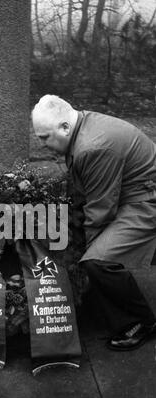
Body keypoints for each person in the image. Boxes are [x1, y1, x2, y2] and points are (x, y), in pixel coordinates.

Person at [32, 94, 156, 352]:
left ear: (65, 127)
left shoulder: (94, 146)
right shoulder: (82, 127)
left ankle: (142, 322)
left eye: (44, 137)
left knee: (98, 261)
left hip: (145, 201)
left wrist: (82, 252)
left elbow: (100, 210)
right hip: (126, 193)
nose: (40, 143)